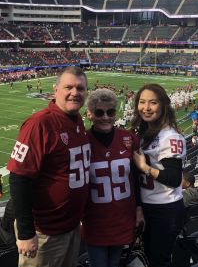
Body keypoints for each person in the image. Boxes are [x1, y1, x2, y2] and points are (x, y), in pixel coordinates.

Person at [7, 66, 90, 267]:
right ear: (55, 90)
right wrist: (26, 233)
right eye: (68, 87)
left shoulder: (76, 120)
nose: (74, 93)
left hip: (70, 228)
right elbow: (18, 178)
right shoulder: (39, 124)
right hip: (44, 233)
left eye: (80, 88)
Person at [82, 88, 144, 267]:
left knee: (115, 263)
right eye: (99, 112)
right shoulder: (82, 141)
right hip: (95, 220)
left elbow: (135, 177)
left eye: (110, 112)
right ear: (90, 114)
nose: (105, 117)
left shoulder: (129, 138)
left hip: (122, 218)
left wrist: (139, 208)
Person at [131, 83, 186, 267]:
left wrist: (144, 167)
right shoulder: (146, 131)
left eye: (152, 103)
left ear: (163, 106)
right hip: (149, 205)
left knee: (158, 261)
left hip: (165, 209)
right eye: (142, 102)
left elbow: (173, 178)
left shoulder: (170, 136)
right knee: (150, 257)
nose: (146, 108)